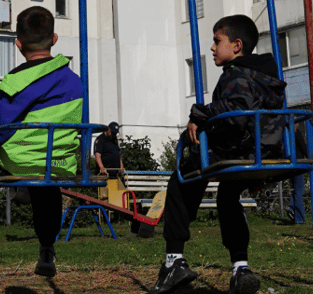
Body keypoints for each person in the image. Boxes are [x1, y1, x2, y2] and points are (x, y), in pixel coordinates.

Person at [147, 15, 286, 294]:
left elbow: (235, 113)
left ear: (236, 45)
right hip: (266, 151)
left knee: (182, 178)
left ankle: (173, 260)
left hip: (240, 150)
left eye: (216, 41)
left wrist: (199, 115)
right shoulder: (267, 76)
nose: (212, 47)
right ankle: (240, 267)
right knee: (227, 196)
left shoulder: (236, 74)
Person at [0, 6, 83, 282]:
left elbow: (1, 126)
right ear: (54, 39)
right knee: (48, 185)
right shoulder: (75, 81)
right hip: (59, 162)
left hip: (19, 160)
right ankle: (46, 250)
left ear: (18, 44)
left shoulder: (16, 81)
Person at [94, 121, 124, 186]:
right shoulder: (100, 139)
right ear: (108, 130)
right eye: (112, 133)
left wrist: (121, 166)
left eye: (115, 133)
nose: (114, 135)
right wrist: (102, 168)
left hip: (115, 174)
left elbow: (118, 153)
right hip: (105, 174)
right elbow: (97, 155)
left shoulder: (114, 139)